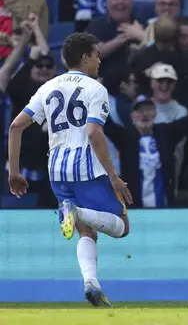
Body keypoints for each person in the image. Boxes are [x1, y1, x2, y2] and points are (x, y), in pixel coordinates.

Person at [7, 33, 134, 307]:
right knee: (122, 226)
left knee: (86, 232)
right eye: (97, 54)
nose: (100, 60)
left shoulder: (48, 87)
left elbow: (15, 126)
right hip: (87, 168)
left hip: (57, 170)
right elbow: (93, 132)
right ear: (85, 57)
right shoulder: (95, 89)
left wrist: (14, 173)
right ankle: (77, 213)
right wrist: (113, 176)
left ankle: (91, 284)